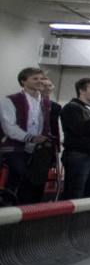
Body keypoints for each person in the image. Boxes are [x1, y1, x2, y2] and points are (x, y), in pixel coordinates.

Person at [1, 67, 59, 204]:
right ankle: (8, 207)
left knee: (37, 181)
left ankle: (30, 208)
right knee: (19, 175)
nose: (40, 81)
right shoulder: (10, 100)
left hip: (38, 149)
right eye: (35, 78)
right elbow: (9, 127)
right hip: (15, 148)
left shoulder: (47, 103)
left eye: (41, 78)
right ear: (23, 81)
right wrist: (30, 137)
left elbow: (49, 126)